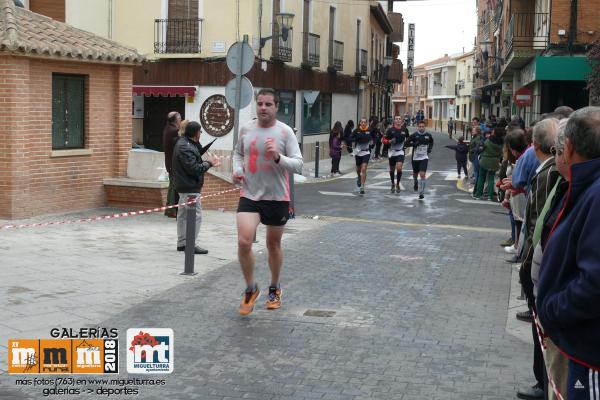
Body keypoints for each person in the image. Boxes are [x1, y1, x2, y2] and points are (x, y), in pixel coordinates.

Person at [537, 107, 600, 400]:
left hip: (587, 352)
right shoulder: (586, 187)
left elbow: (594, 282)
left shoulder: (595, 195)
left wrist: (552, 310)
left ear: (570, 148)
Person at [232, 88, 303, 315]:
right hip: (250, 194)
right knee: (244, 242)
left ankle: (274, 286)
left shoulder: (284, 132)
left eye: (268, 104)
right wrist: (236, 170)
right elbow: (238, 154)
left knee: (273, 244)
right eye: (260, 104)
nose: (263, 108)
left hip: (276, 196)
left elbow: (298, 164)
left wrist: (277, 157)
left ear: (276, 107)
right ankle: (251, 288)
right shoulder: (246, 129)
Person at [515, 118, 561, 400]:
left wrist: (526, 266)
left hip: (542, 270)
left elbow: (537, 226)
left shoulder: (548, 175)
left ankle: (543, 384)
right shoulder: (551, 172)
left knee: (541, 334)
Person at [172, 121, 220, 255]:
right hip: (190, 187)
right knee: (195, 216)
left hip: (184, 185)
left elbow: (192, 158)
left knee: (182, 216)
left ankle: (182, 243)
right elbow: (194, 169)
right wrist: (210, 163)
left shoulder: (185, 143)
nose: (201, 134)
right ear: (196, 133)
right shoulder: (185, 146)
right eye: (200, 132)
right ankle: (190, 244)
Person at [473, 127, 504, 200]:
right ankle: (490, 196)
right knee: (491, 178)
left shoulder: (488, 140)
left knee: (481, 178)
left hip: (485, 160)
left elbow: (481, 148)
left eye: (493, 131)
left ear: (495, 133)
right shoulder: (502, 142)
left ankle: (478, 194)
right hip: (495, 161)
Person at [406, 121, 434, 199]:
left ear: (425, 127)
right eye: (420, 126)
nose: (421, 128)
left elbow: (431, 142)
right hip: (415, 158)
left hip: (424, 157)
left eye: (423, 126)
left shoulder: (428, 135)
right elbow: (406, 143)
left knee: (422, 174)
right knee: (415, 173)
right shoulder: (414, 135)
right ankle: (415, 181)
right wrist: (413, 144)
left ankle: (421, 192)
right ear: (417, 127)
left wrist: (430, 149)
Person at [383, 115, 409, 193]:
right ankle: (392, 183)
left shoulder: (405, 130)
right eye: (396, 119)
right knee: (392, 169)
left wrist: (406, 144)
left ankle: (397, 184)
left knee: (399, 168)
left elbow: (408, 138)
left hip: (400, 151)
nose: (398, 120)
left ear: (402, 121)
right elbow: (384, 140)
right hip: (392, 151)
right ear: (394, 121)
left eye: (399, 119)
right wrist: (389, 141)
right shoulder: (390, 130)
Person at [163, 111, 181, 218]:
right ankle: (171, 210)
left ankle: (169, 209)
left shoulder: (167, 128)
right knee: (173, 187)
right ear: (176, 120)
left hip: (169, 162)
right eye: (179, 118)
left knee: (172, 186)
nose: (180, 119)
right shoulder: (174, 130)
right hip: (173, 163)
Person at [353, 117, 372, 195]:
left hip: (366, 152)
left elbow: (375, 137)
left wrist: (373, 141)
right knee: (358, 169)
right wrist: (355, 139)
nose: (363, 123)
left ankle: (362, 187)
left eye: (365, 122)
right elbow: (350, 138)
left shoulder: (369, 130)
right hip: (358, 152)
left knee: (363, 169)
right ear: (360, 123)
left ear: (366, 123)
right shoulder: (356, 131)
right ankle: (359, 177)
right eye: (362, 122)